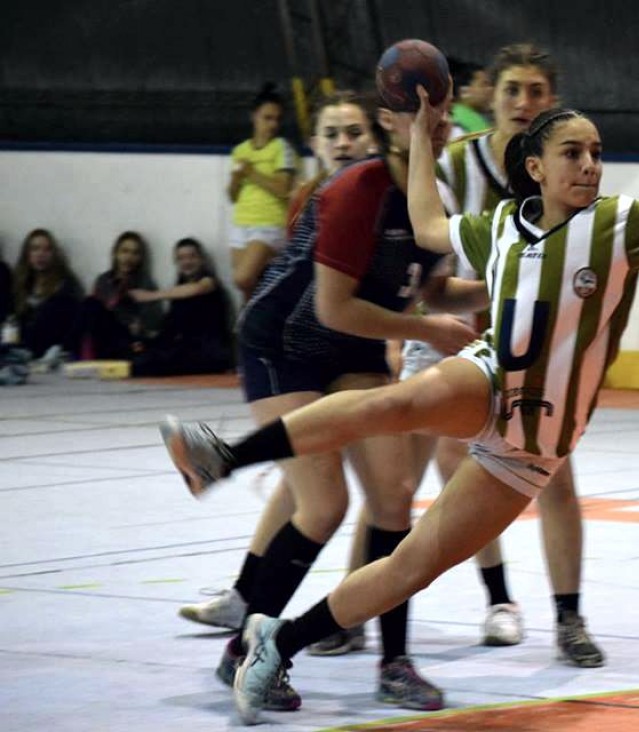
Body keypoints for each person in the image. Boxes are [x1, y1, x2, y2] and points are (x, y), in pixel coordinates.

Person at [160, 97, 639, 725]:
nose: (590, 165)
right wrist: (422, 138)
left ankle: (278, 643)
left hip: (538, 441)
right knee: (391, 402)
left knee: (411, 566)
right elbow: (426, 223)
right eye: (573, 153)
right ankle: (221, 456)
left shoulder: (624, 221)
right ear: (535, 169)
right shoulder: (498, 224)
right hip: (491, 377)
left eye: (597, 153)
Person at [175, 88, 480, 714]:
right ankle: (244, 650)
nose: (438, 123)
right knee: (324, 503)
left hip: (354, 350)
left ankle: (395, 663)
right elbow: (332, 307)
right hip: (283, 343)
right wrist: (424, 330)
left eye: (443, 110)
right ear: (389, 124)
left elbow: (436, 289)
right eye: (423, 111)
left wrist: (508, 284)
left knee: (393, 496)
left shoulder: (433, 202)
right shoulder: (354, 192)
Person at [414, 42, 602, 664]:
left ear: (553, 102)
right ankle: (498, 599)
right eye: (512, 91)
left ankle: (569, 618)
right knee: (445, 467)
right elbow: (426, 265)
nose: (524, 103)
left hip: (535, 345)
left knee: (555, 476)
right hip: (460, 331)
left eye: (536, 92)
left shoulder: (567, 171)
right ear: (488, 99)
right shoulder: (456, 167)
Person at [228, 83, 298, 301]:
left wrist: (251, 172)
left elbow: (282, 188)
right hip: (242, 222)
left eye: (276, 119)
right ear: (254, 116)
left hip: (268, 223)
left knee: (243, 278)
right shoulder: (240, 150)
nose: (272, 124)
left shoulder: (281, 147)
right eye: (267, 118)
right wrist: (236, 179)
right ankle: (250, 332)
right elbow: (233, 196)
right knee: (247, 290)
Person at [129, 238, 233, 376]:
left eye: (192, 257)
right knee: (138, 356)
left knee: (147, 364)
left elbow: (197, 289)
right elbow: (170, 329)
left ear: (201, 260)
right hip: (185, 349)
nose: (187, 262)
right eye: (181, 258)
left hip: (208, 353)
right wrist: (146, 342)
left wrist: (151, 295)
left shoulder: (209, 283)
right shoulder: (178, 291)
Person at [83, 231, 162, 360]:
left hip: (127, 337)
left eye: (135, 253)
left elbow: (152, 322)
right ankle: (63, 350)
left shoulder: (145, 283)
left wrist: (138, 325)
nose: (129, 257)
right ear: (116, 253)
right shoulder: (104, 280)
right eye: (125, 251)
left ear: (140, 258)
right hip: (103, 332)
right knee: (89, 303)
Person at [10, 229, 83, 358]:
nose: (40, 254)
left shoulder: (66, 285)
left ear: (54, 254)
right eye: (35, 249)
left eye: (47, 249)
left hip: (51, 353)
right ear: (27, 254)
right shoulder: (20, 283)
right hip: (19, 352)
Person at [446, 57, 493, 138]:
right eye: (484, 84)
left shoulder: (473, 118)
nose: (491, 89)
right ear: (464, 91)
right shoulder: (459, 121)